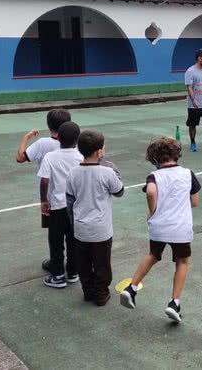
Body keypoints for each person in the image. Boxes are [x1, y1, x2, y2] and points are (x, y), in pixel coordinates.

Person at [119, 137, 201, 323]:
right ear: (177, 155)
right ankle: (174, 303)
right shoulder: (188, 174)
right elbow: (195, 202)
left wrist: (153, 211)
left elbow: (151, 192)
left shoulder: (154, 176)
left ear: (155, 158)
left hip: (159, 225)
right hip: (180, 227)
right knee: (182, 261)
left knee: (153, 255)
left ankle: (131, 288)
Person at [66, 129, 124, 306]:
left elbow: (70, 200)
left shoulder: (72, 173)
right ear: (100, 151)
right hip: (101, 230)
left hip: (80, 228)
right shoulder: (107, 172)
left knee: (83, 263)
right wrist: (115, 172)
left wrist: (73, 222)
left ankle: (88, 291)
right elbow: (119, 191)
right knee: (102, 264)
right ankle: (101, 294)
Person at [16, 109, 72, 271]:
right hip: (71, 197)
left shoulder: (43, 143)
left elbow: (20, 157)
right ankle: (72, 266)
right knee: (71, 233)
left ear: (49, 126)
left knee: (55, 235)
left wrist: (26, 137)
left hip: (49, 198)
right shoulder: (75, 144)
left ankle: (56, 265)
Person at [38, 122, 83, 288]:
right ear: (77, 139)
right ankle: (72, 272)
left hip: (57, 206)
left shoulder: (51, 156)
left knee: (56, 241)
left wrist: (44, 200)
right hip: (76, 207)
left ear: (58, 137)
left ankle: (57, 275)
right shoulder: (80, 156)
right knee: (73, 240)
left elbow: (44, 180)